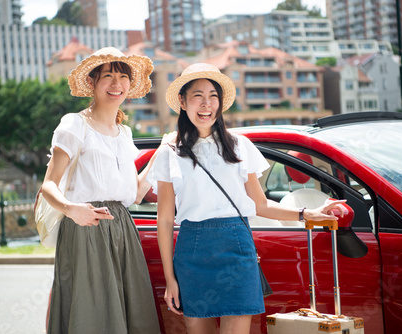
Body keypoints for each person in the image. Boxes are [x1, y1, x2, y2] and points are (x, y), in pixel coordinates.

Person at [148, 63, 346, 334]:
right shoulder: (170, 153)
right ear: (182, 102)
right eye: (197, 96)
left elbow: (260, 205)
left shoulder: (240, 146)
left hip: (236, 248)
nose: (206, 104)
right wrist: (170, 279)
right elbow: (165, 220)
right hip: (192, 251)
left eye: (213, 96)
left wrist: (305, 214)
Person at [42, 47, 160, 333]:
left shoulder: (126, 134)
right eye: (107, 76)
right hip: (85, 226)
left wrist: (163, 152)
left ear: (130, 85)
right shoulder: (74, 124)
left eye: (122, 76)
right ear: (93, 83)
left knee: (129, 312)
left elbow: (134, 194)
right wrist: (72, 210)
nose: (116, 83)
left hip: (122, 227)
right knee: (91, 312)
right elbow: (48, 185)